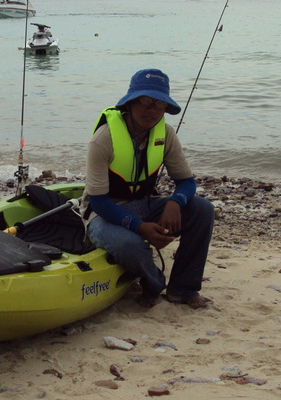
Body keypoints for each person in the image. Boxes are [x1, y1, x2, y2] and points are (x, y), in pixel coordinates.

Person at [81, 68, 215, 309]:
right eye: (145, 101)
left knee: (203, 209)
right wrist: (140, 228)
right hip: (103, 214)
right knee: (129, 244)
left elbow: (186, 182)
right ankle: (154, 282)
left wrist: (176, 202)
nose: (152, 110)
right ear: (131, 103)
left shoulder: (166, 134)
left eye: (160, 104)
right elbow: (98, 201)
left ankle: (183, 289)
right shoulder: (103, 139)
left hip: (144, 204)